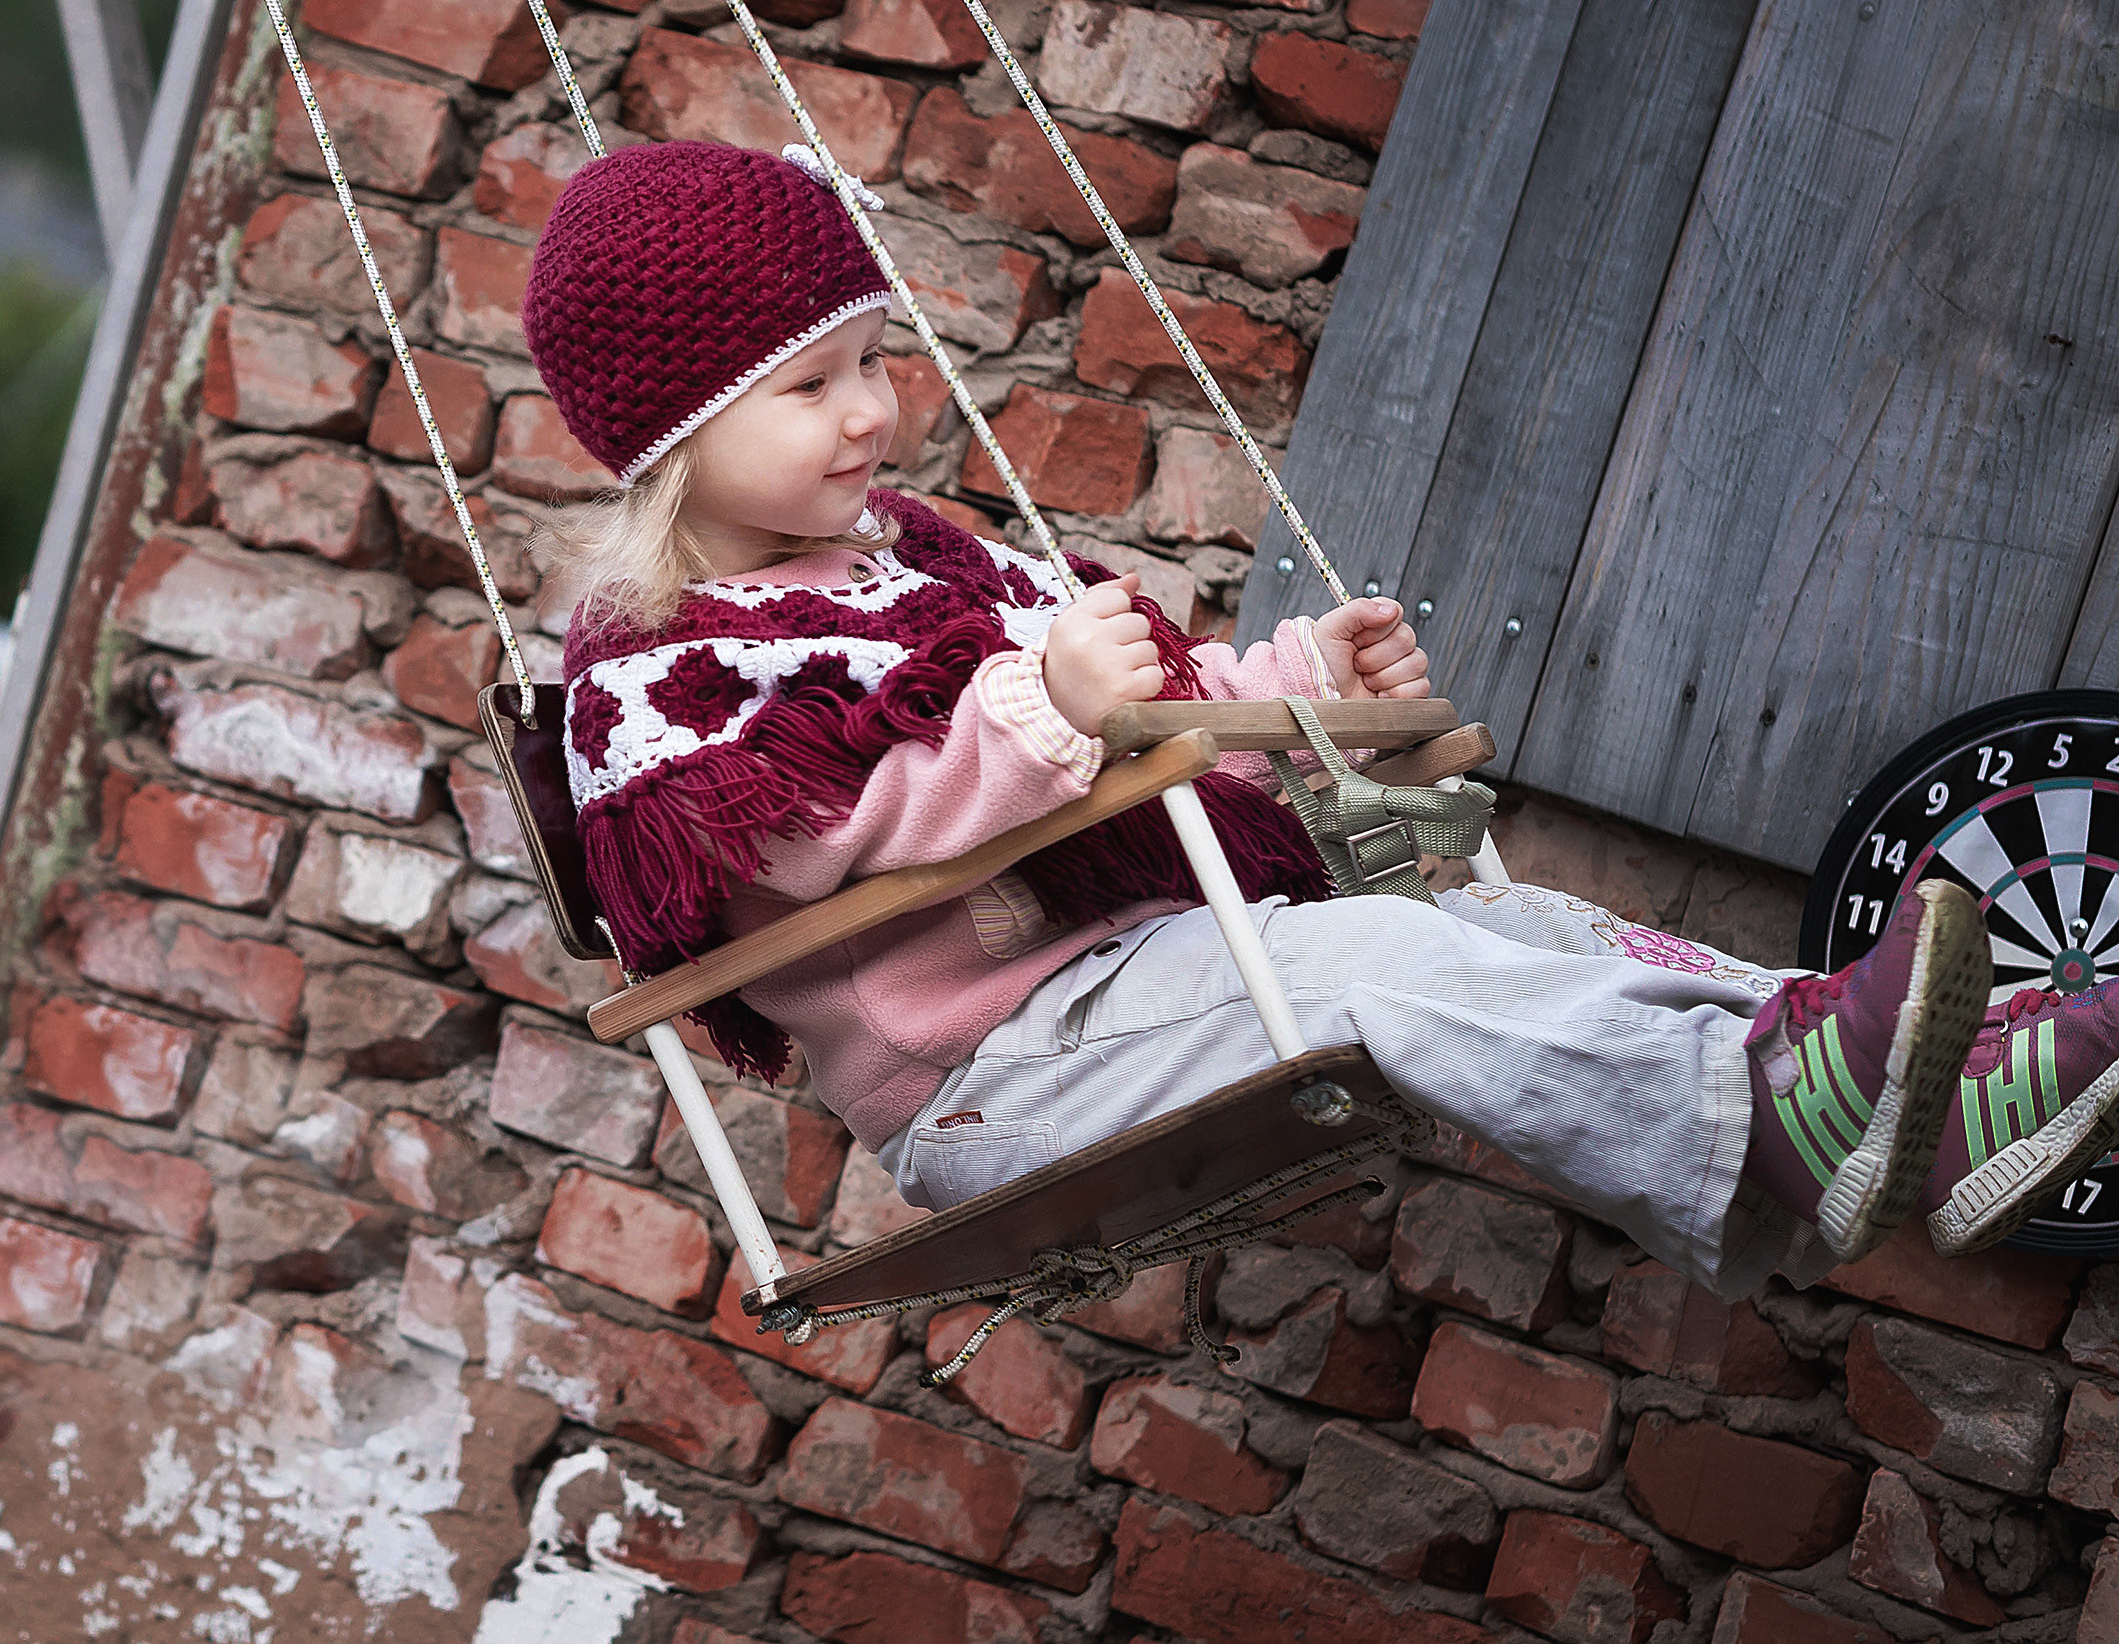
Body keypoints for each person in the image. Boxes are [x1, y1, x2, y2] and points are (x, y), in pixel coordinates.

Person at [518, 139, 2119, 1297]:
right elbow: (802, 855)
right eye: (810, 388)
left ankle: (1927, 1077)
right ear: (671, 439)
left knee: (1537, 935)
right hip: (1001, 1070)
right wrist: (1037, 715)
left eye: (874, 359)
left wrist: (1286, 691)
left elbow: (1141, 711)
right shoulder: (654, 669)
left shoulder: (920, 559)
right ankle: (1780, 1126)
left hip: (1149, 978)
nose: (876, 408)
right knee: (1379, 963)